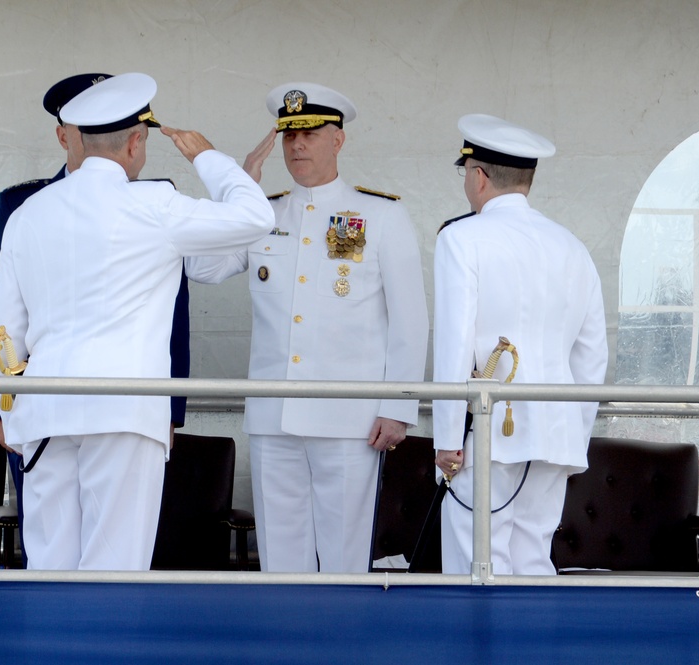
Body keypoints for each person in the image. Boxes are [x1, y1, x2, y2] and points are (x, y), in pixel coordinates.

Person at [0, 72, 275, 570]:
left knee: (48, 566)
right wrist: (210, 158)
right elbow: (256, 218)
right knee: (113, 568)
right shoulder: (155, 206)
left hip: (44, 415)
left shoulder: (28, 214)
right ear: (136, 141)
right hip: (123, 413)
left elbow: (4, 333)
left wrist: (13, 414)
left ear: (78, 136)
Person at [187, 82, 429, 573]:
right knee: (280, 558)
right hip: (274, 417)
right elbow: (200, 267)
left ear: (338, 140)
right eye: (288, 135)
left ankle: (341, 647)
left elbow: (410, 319)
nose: (297, 146)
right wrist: (237, 192)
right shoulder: (262, 214)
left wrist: (397, 406)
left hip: (349, 419)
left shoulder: (380, 216)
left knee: (344, 555)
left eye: (311, 134)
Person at [0, 73, 193, 567]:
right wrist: (3, 409)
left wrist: (170, 407)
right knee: (80, 555)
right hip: (53, 410)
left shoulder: (150, 200)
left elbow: (174, 313)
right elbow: (1, 325)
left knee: (81, 556)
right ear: (64, 135)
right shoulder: (21, 203)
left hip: (98, 408)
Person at [432, 114, 608, 575]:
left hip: (489, 430)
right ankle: (532, 649)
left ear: (479, 176)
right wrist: (573, 427)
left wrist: (448, 438)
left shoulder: (461, 238)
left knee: (475, 562)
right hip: (556, 430)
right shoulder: (571, 245)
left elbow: (454, 343)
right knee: (533, 558)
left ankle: (478, 649)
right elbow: (592, 355)